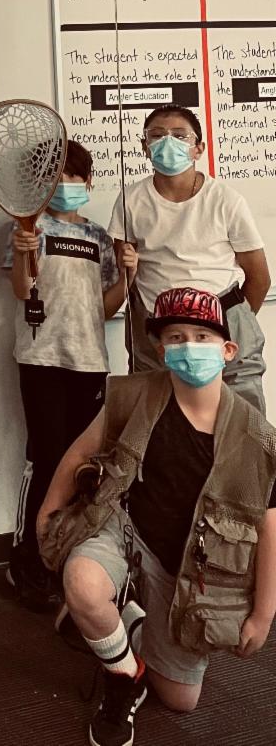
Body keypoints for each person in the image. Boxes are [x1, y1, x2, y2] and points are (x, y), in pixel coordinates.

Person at [38, 287, 276, 746]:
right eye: (176, 337)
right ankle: (122, 677)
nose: (189, 347)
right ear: (161, 350)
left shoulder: (258, 439)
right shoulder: (133, 396)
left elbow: (269, 526)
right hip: (125, 533)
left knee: (180, 699)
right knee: (83, 583)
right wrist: (47, 514)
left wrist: (263, 614)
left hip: (189, 568)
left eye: (202, 337)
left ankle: (125, 621)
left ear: (228, 350)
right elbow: (81, 452)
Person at [2, 139, 133, 609]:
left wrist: (129, 277)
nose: (65, 185)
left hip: (90, 362)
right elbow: (22, 291)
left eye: (73, 176)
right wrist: (22, 253)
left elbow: (106, 309)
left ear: (88, 181)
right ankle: (26, 562)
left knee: (82, 466)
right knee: (46, 458)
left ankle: (70, 556)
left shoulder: (99, 236)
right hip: (42, 360)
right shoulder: (28, 227)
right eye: (54, 178)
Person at [108, 104, 269, 413]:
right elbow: (124, 268)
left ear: (199, 148)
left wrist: (227, 322)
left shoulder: (225, 199)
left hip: (223, 318)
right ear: (144, 146)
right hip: (156, 326)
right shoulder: (131, 199)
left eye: (180, 135)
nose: (168, 142)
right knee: (153, 413)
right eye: (157, 135)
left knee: (242, 416)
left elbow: (259, 278)